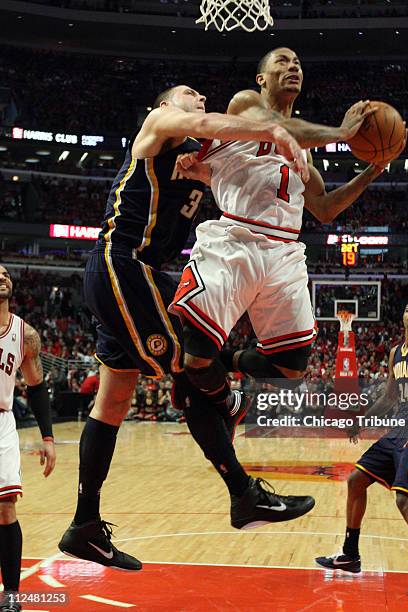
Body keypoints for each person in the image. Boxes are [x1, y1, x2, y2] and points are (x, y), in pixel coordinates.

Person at [58, 84, 315, 571]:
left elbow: (233, 166)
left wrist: (215, 168)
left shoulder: (200, 156)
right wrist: (271, 126)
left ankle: (85, 525)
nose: (201, 99)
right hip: (123, 265)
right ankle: (243, 489)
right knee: (190, 369)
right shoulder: (157, 127)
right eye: (190, 93)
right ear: (162, 105)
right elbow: (202, 124)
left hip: (141, 275)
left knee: (113, 402)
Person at [172, 46, 401, 436]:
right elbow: (276, 127)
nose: (293, 66)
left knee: (291, 369)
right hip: (237, 237)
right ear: (262, 78)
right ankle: (216, 393)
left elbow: (325, 209)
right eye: (282, 61)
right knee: (195, 358)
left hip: (284, 251)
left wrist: (372, 171)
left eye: (297, 62)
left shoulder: (305, 160)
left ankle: (223, 361)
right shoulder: (245, 104)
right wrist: (342, 133)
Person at [315, 300, 408, 599]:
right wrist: (362, 421)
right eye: (407, 308)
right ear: (402, 315)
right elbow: (389, 396)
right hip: (398, 429)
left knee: (405, 501)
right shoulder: (396, 352)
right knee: (356, 480)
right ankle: (350, 554)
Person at [0, 265, 56, 612]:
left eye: (5, 273)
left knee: (6, 508)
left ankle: (11, 596)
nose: (2, 277)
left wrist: (48, 438)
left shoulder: (25, 334)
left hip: (2, 421)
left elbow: (36, 388)